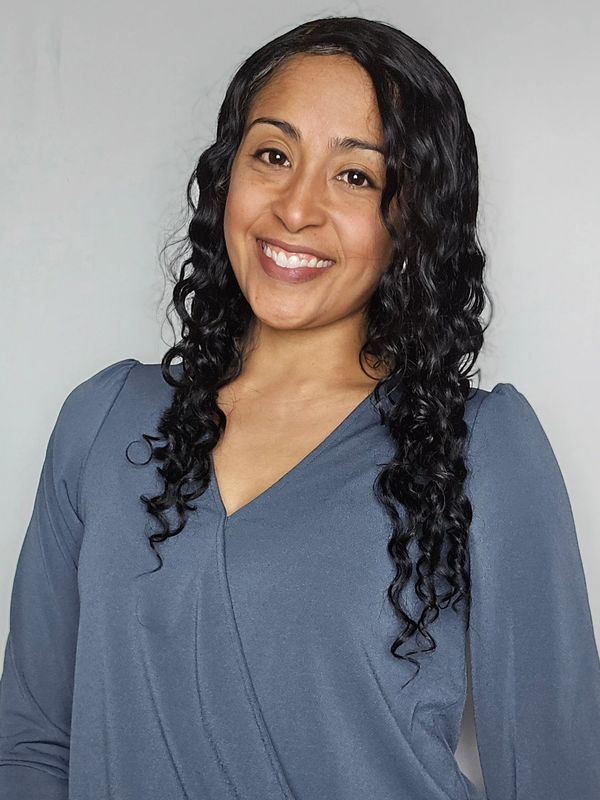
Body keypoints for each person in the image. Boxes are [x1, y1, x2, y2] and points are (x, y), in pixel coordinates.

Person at [1, 15, 599, 800]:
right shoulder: (104, 420)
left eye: (356, 176)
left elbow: (559, 771)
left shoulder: (482, 448)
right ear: (228, 175)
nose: (295, 209)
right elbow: (33, 745)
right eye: (274, 155)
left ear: (412, 219)